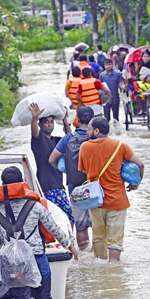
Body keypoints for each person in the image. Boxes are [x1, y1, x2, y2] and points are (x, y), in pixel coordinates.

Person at [0, 167, 78, 299]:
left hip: (14, 263)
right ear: (23, 183)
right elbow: (54, 228)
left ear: (3, 185)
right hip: (37, 259)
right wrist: (70, 246)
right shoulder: (35, 206)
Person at [78, 118, 144, 261]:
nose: (88, 131)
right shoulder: (120, 145)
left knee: (99, 236)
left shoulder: (84, 147)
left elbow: (83, 171)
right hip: (117, 201)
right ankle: (114, 270)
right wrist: (136, 183)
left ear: (96, 131)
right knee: (115, 240)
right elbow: (140, 164)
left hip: (96, 200)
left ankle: (101, 270)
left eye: (89, 129)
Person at [47, 106, 95, 251]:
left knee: (80, 225)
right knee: (98, 225)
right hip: (96, 187)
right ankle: (97, 256)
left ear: (77, 119)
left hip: (75, 187)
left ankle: (84, 255)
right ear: (93, 120)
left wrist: (66, 170)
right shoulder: (97, 137)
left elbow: (52, 159)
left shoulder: (69, 138)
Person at [28, 102, 74, 224]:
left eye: (51, 122)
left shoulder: (57, 141)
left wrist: (65, 120)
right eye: (46, 122)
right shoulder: (38, 141)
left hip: (59, 186)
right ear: (40, 124)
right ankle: (67, 241)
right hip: (47, 187)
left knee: (65, 218)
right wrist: (35, 117)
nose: (49, 125)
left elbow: (70, 139)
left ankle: (67, 240)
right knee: (66, 216)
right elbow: (34, 132)